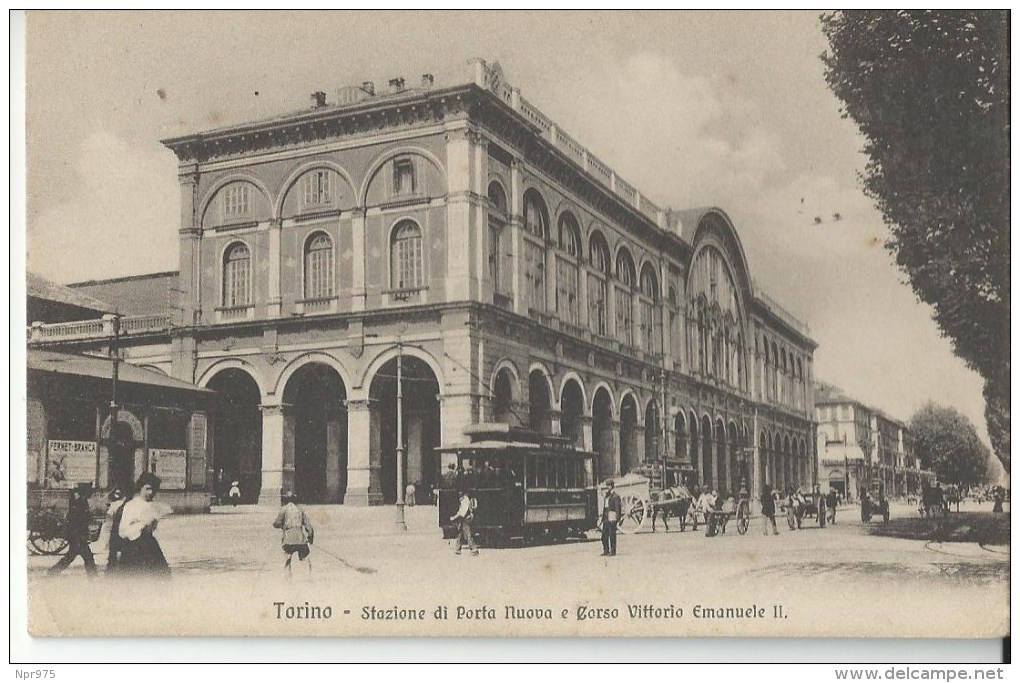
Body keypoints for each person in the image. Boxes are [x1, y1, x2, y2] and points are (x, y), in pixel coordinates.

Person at [114, 473, 171, 578]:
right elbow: (122, 531)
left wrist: (152, 525)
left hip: (149, 545)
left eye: (153, 489)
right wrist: (140, 526)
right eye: (148, 488)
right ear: (141, 488)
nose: (151, 492)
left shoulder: (154, 506)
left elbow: (154, 528)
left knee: (162, 576)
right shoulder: (131, 505)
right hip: (133, 547)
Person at [48, 486, 98, 578]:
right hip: (78, 536)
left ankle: (53, 571)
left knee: (72, 556)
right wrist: (90, 516)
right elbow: (83, 519)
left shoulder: (76, 502)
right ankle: (93, 576)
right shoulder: (82, 502)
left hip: (75, 535)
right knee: (87, 557)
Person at [273, 491, 314, 578]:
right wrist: (310, 537)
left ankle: (287, 578)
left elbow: (276, 523)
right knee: (305, 558)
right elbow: (308, 526)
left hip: (288, 539)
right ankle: (308, 577)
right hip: (300, 538)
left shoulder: (284, 509)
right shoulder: (301, 509)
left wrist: (282, 526)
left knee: (287, 558)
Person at [99, 487, 126, 572]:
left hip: (115, 526)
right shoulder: (122, 503)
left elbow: (109, 515)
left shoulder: (115, 504)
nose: (117, 495)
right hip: (121, 526)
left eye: (118, 493)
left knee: (113, 546)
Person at [450, 489, 478, 556]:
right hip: (463, 519)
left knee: (468, 534)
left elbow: (462, 512)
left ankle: (474, 549)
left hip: (465, 519)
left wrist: (454, 517)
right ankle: (457, 549)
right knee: (460, 534)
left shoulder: (465, 500)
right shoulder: (463, 499)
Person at [600, 479, 622, 556]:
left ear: (612, 486)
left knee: (612, 535)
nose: (608, 488)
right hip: (606, 517)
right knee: (604, 535)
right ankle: (606, 550)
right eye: (607, 486)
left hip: (612, 517)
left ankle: (613, 551)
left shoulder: (616, 496)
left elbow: (617, 509)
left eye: (609, 486)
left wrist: (617, 518)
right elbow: (604, 508)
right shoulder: (607, 496)